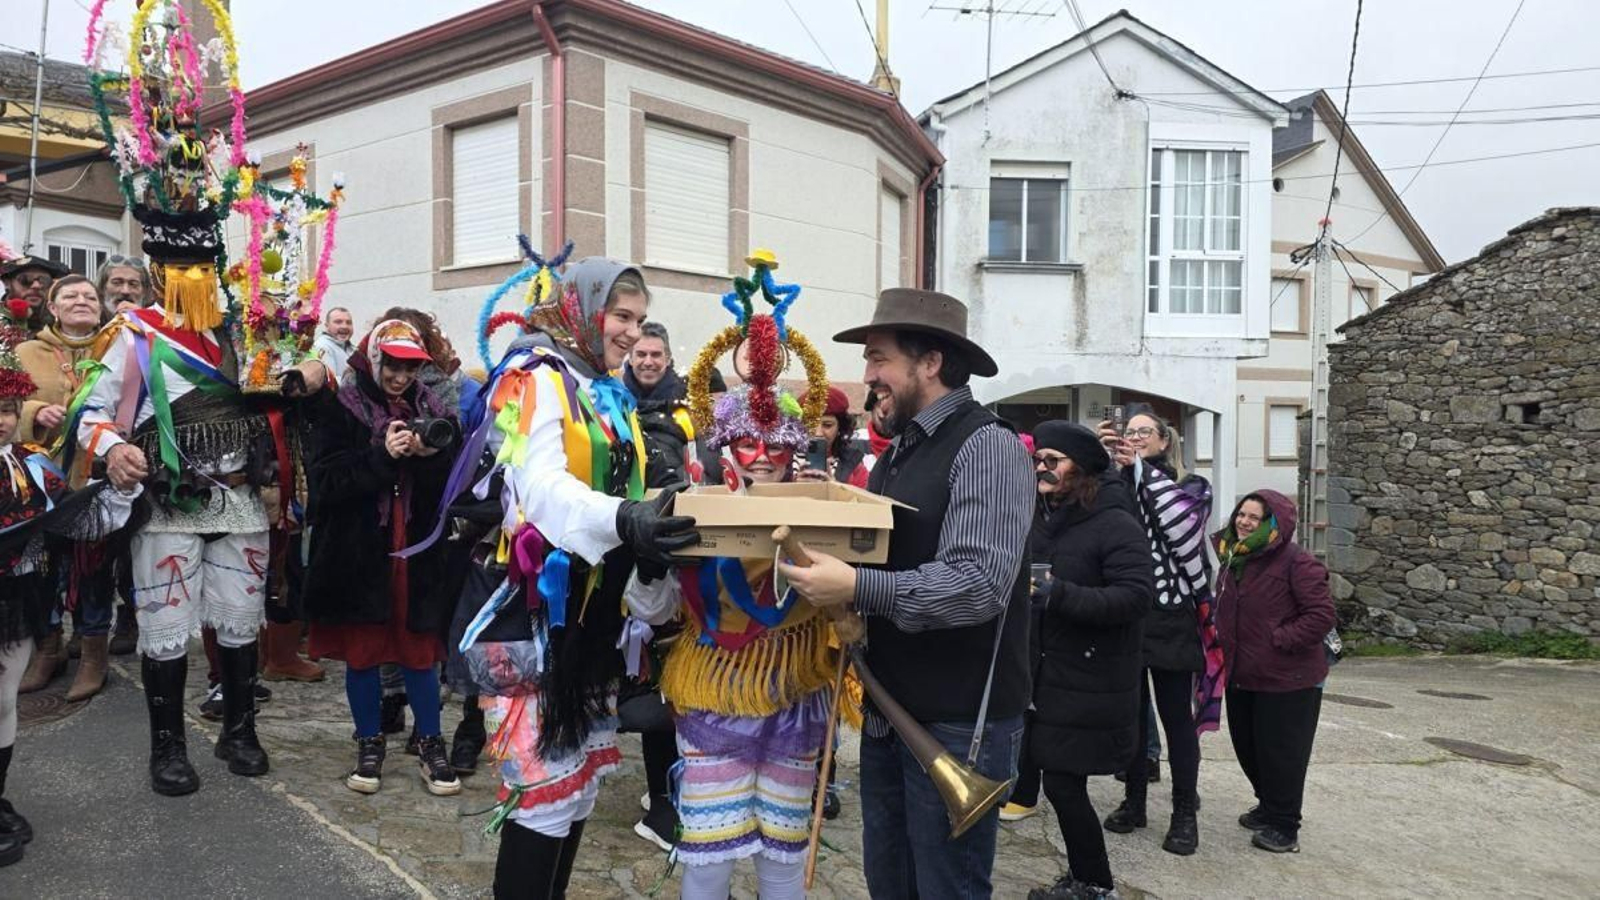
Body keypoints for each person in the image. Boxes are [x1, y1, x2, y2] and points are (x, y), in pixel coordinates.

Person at [432, 252, 697, 898]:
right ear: (584, 307)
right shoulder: (537, 376)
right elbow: (543, 491)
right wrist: (628, 518)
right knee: (544, 799)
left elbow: (623, 486)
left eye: (641, 318)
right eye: (621, 314)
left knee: (575, 795)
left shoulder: (604, 389)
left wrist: (655, 541)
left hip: (590, 622)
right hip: (532, 618)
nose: (632, 331)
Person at [779, 288, 1033, 899]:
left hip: (956, 722)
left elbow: (979, 585)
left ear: (930, 363)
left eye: (879, 358)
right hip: (893, 713)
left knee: (945, 889)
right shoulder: (902, 451)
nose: (868, 376)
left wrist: (857, 584)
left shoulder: (987, 446)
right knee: (890, 884)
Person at [76, 217, 331, 797]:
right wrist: (114, 450)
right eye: (182, 271)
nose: (195, 280)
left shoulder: (242, 332)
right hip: (168, 501)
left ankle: (240, 732)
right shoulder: (132, 334)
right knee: (166, 628)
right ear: (160, 274)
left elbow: (313, 366)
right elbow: (89, 413)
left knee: (241, 624)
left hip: (240, 499)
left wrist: (312, 372)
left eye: (205, 270)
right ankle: (167, 747)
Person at [625, 263, 844, 899]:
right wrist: (650, 558)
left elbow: (847, 602)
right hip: (713, 690)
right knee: (708, 851)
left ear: (792, 447)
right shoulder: (690, 506)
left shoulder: (825, 513)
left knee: (783, 851)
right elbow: (651, 607)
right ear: (726, 447)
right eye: (744, 442)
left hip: (794, 695)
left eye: (773, 442)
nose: (759, 455)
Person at [0, 319, 140, 867]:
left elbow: (79, 521)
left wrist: (120, 486)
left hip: (18, 603)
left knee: (4, 700)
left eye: (9, 408)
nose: (4, 419)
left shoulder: (33, 463)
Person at [303, 318, 463, 796]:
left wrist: (427, 456)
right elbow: (327, 483)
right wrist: (383, 456)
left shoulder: (433, 409)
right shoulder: (341, 408)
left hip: (416, 553)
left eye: (409, 367)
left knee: (419, 653)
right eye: (391, 365)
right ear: (373, 360)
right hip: (359, 552)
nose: (399, 376)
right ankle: (369, 742)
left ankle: (431, 743)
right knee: (363, 652)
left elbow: (451, 486)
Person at [1020, 421, 1152, 900]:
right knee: (1058, 780)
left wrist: (1061, 595)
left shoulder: (1116, 524)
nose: (1042, 468)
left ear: (1082, 469)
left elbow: (1136, 598)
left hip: (1091, 678)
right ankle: (1088, 878)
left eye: (1052, 460)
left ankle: (1095, 884)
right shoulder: (1046, 516)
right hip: (1050, 675)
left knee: (1061, 780)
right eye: (1039, 459)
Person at [1098, 407, 1220, 857]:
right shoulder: (1121, 484)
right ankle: (1134, 801)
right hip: (1129, 615)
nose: (1135, 438)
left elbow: (1181, 522)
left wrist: (1140, 472)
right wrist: (1099, 460)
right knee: (1130, 715)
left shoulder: (1191, 488)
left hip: (1171, 617)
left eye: (1144, 432)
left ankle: (1184, 813)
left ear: (1164, 441)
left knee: (1176, 721)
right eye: (1128, 433)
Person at [13, 276, 122, 700]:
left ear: (101, 307)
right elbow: (6, 404)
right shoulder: (26, 352)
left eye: (90, 297)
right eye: (71, 296)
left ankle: (94, 654)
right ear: (53, 308)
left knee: (93, 568)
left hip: (96, 478)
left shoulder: (121, 347)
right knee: (45, 567)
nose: (82, 301)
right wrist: (36, 413)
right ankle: (49, 647)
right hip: (43, 480)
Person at [1215, 491, 1335, 854]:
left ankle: (1285, 824)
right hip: (1243, 672)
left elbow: (1321, 616)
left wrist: (1277, 641)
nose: (1244, 522)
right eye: (1242, 515)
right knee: (1249, 747)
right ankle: (1268, 805)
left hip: (1288, 679)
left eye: (1255, 517)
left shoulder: (1297, 563)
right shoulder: (1235, 558)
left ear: (1274, 523)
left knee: (1281, 753)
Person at [624, 321, 695, 489]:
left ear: (668, 359)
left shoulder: (689, 402)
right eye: (641, 354)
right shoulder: (614, 399)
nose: (648, 362)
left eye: (656, 355)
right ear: (631, 359)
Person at [798, 386, 869, 488]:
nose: (818, 433)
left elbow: (863, 502)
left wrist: (834, 488)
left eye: (827, 425)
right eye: (811, 424)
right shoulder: (784, 461)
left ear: (840, 428)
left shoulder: (855, 469)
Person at [0, 255, 69, 333]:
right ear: (7, 283)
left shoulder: (63, 321)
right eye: (25, 280)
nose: (36, 286)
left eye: (44, 280)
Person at [314, 307, 357, 382]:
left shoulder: (353, 349)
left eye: (348, 322)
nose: (344, 326)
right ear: (327, 326)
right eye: (338, 322)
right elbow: (330, 381)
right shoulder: (322, 347)